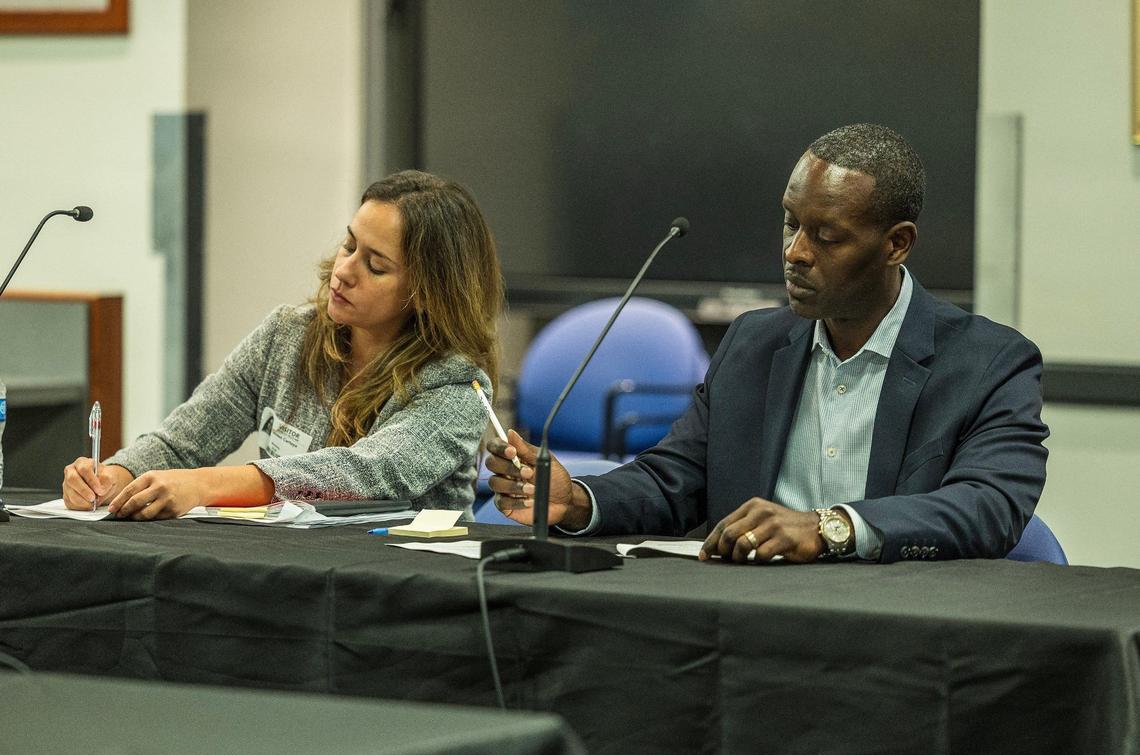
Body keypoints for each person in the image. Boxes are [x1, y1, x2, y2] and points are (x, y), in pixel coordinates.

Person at [486, 123, 1049, 564]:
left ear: (896, 245)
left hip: (899, 628)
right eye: (790, 224)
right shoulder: (753, 343)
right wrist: (578, 500)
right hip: (750, 619)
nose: (795, 252)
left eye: (827, 236)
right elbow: (675, 480)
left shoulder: (987, 362)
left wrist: (829, 527)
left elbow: (990, 506)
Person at [63, 170, 503, 520]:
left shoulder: (458, 387)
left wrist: (204, 485)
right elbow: (184, 442)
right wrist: (116, 475)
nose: (344, 270)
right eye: (349, 245)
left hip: (402, 585)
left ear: (426, 292)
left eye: (375, 266)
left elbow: (364, 473)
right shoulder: (286, 336)